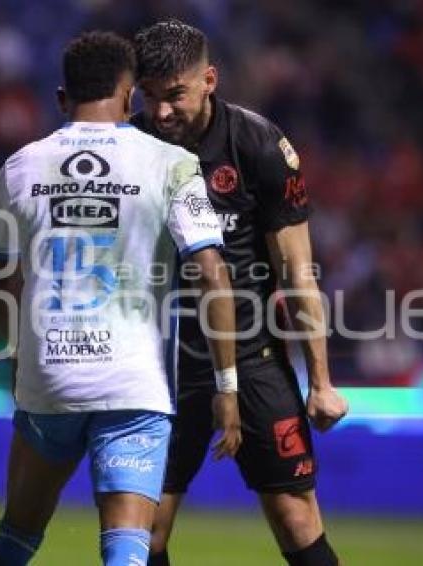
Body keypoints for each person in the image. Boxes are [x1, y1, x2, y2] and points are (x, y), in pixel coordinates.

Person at [0, 31, 242, 566]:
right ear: (129, 96)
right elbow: (212, 276)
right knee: (126, 548)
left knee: (17, 535)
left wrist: (17, 353)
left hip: (48, 376)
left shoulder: (20, 166)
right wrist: (227, 387)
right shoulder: (171, 164)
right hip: (133, 384)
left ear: (62, 98)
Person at [132, 20, 349, 566]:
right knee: (143, 534)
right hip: (160, 368)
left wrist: (321, 382)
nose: (161, 112)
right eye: (149, 96)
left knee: (296, 519)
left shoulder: (257, 145)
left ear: (209, 80)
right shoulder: (131, 148)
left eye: (175, 95)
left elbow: (297, 273)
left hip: (253, 358)